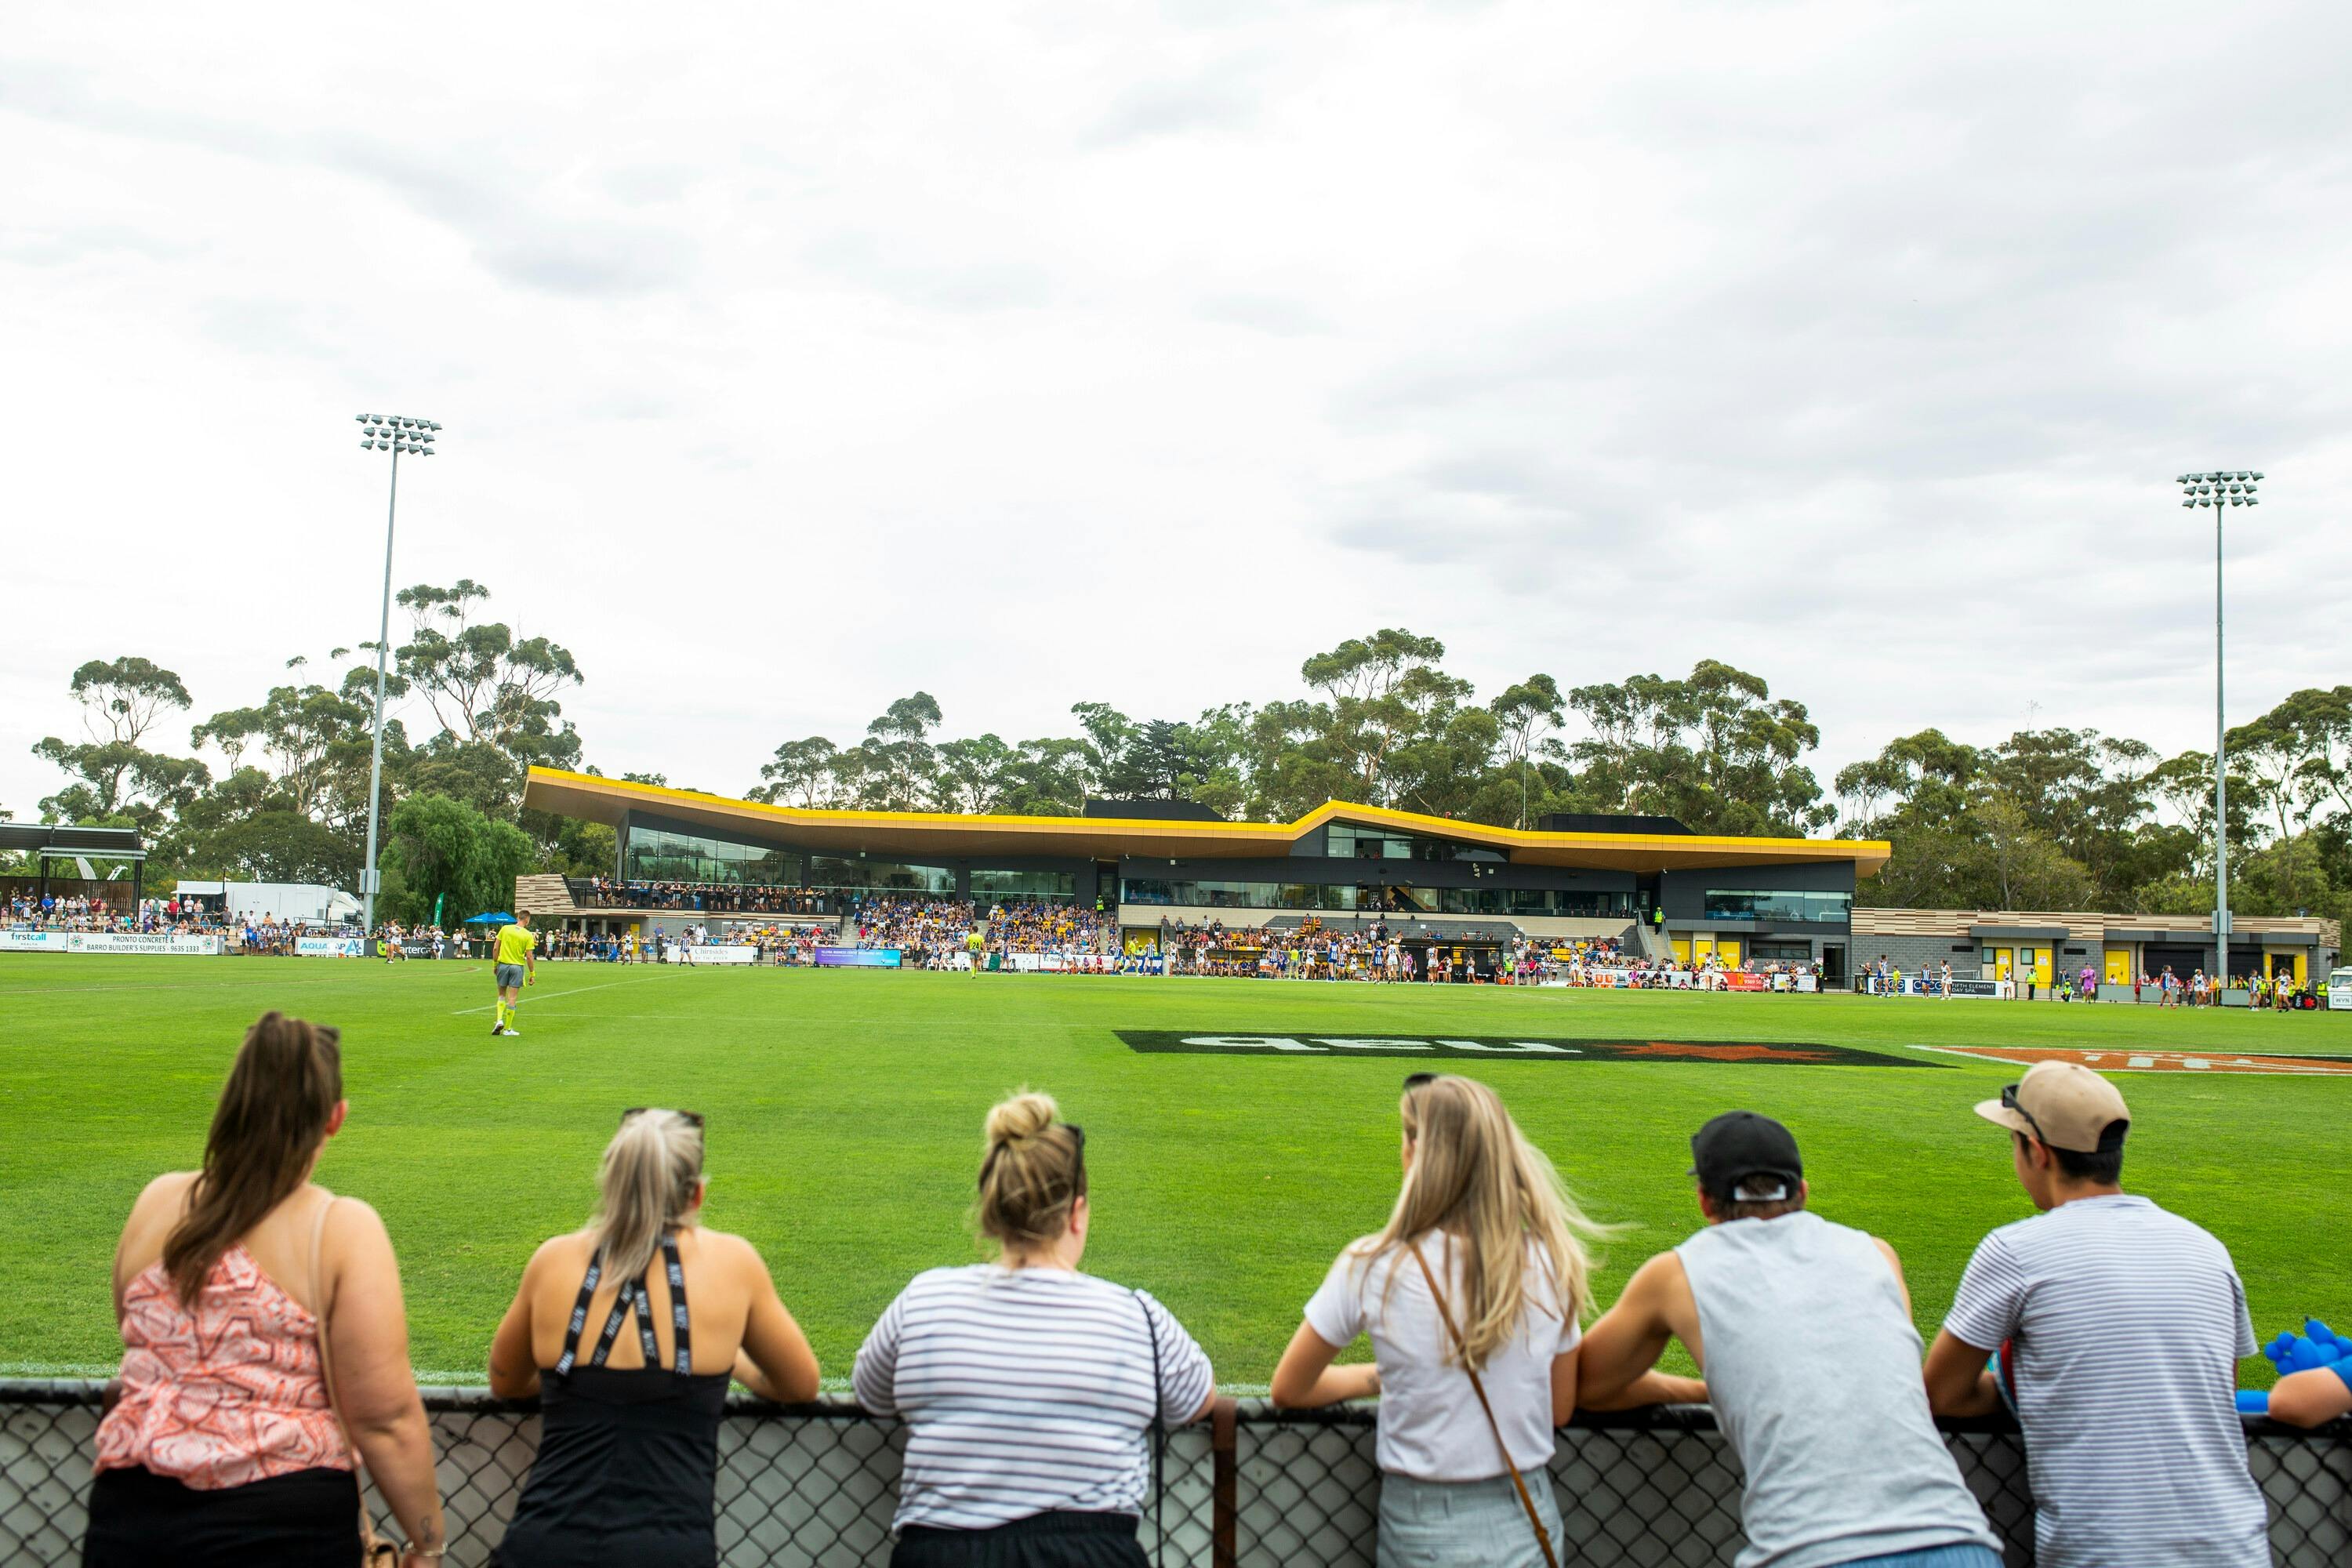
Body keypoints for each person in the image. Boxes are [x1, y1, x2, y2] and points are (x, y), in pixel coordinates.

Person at [86, 1012, 445, 1567]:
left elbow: (141, 1341)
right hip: (285, 1523)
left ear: (231, 1103)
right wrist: (428, 1542)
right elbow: (385, 1420)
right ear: (335, 1118)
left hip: (133, 1520)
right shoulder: (340, 1228)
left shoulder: (156, 1204)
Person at [1579, 1112, 1999, 1568]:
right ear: (1802, 1191)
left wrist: (1704, 1392)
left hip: (1814, 1552)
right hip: (1960, 1542)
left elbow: (1588, 1386)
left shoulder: (1676, 1274)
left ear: (1704, 1200)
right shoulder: (1877, 1254)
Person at [1269, 1073, 1648, 1568]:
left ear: (1416, 1152)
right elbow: (1558, 1407)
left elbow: (1290, 1388)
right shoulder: (1551, 1261)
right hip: (1527, 1512)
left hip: (1423, 1520)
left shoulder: (1373, 1264)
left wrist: (1379, 1378)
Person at [1922, 1062, 2267, 1568]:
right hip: (2236, 1548)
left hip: (2104, 1552)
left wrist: (2028, 1385)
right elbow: (2217, 1389)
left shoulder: (2015, 1250)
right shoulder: (2206, 1248)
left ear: (2037, 1152)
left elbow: (1941, 1393)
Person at [854, 1091, 1215, 1567]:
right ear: (1076, 1214)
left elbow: (870, 1393)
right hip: (1092, 1553)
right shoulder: (1138, 1317)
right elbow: (1199, 1399)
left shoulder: (924, 1299)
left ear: (993, 1209)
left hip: (943, 1552)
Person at [488, 1108, 818, 1566]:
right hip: (669, 1549)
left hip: (544, 1545)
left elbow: (505, 1380)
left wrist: (571, 1385)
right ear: (696, 1194)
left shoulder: (554, 1261)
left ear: (611, 1182)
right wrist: (731, 1363)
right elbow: (800, 1385)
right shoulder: (734, 1263)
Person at [492, 912, 536, 1036]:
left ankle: (499, 1020)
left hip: (503, 964)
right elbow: (529, 956)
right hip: (517, 967)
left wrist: (495, 965)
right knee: (512, 998)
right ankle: (507, 1029)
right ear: (527, 921)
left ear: (518, 917)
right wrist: (532, 974)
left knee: (501, 995)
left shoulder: (505, 929)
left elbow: (495, 948)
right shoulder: (528, 935)